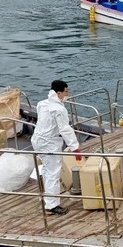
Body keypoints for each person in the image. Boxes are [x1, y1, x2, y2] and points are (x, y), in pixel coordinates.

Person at [31, 80, 81, 215]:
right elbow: (65, 129)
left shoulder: (42, 104)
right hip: (49, 144)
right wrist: (75, 147)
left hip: (38, 140)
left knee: (48, 171)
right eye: (66, 91)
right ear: (59, 93)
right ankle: (51, 206)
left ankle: (48, 198)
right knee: (53, 173)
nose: (67, 93)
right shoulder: (59, 109)